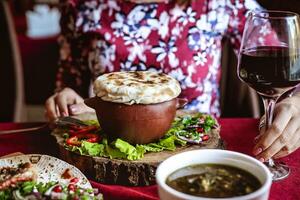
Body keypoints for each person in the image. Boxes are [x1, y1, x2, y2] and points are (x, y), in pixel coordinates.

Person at [45, 0, 300, 161]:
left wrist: (297, 102)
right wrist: (65, 98)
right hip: (111, 148)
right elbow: (70, 84)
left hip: (198, 148)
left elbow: (287, 62)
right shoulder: (80, 6)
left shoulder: (223, 4)